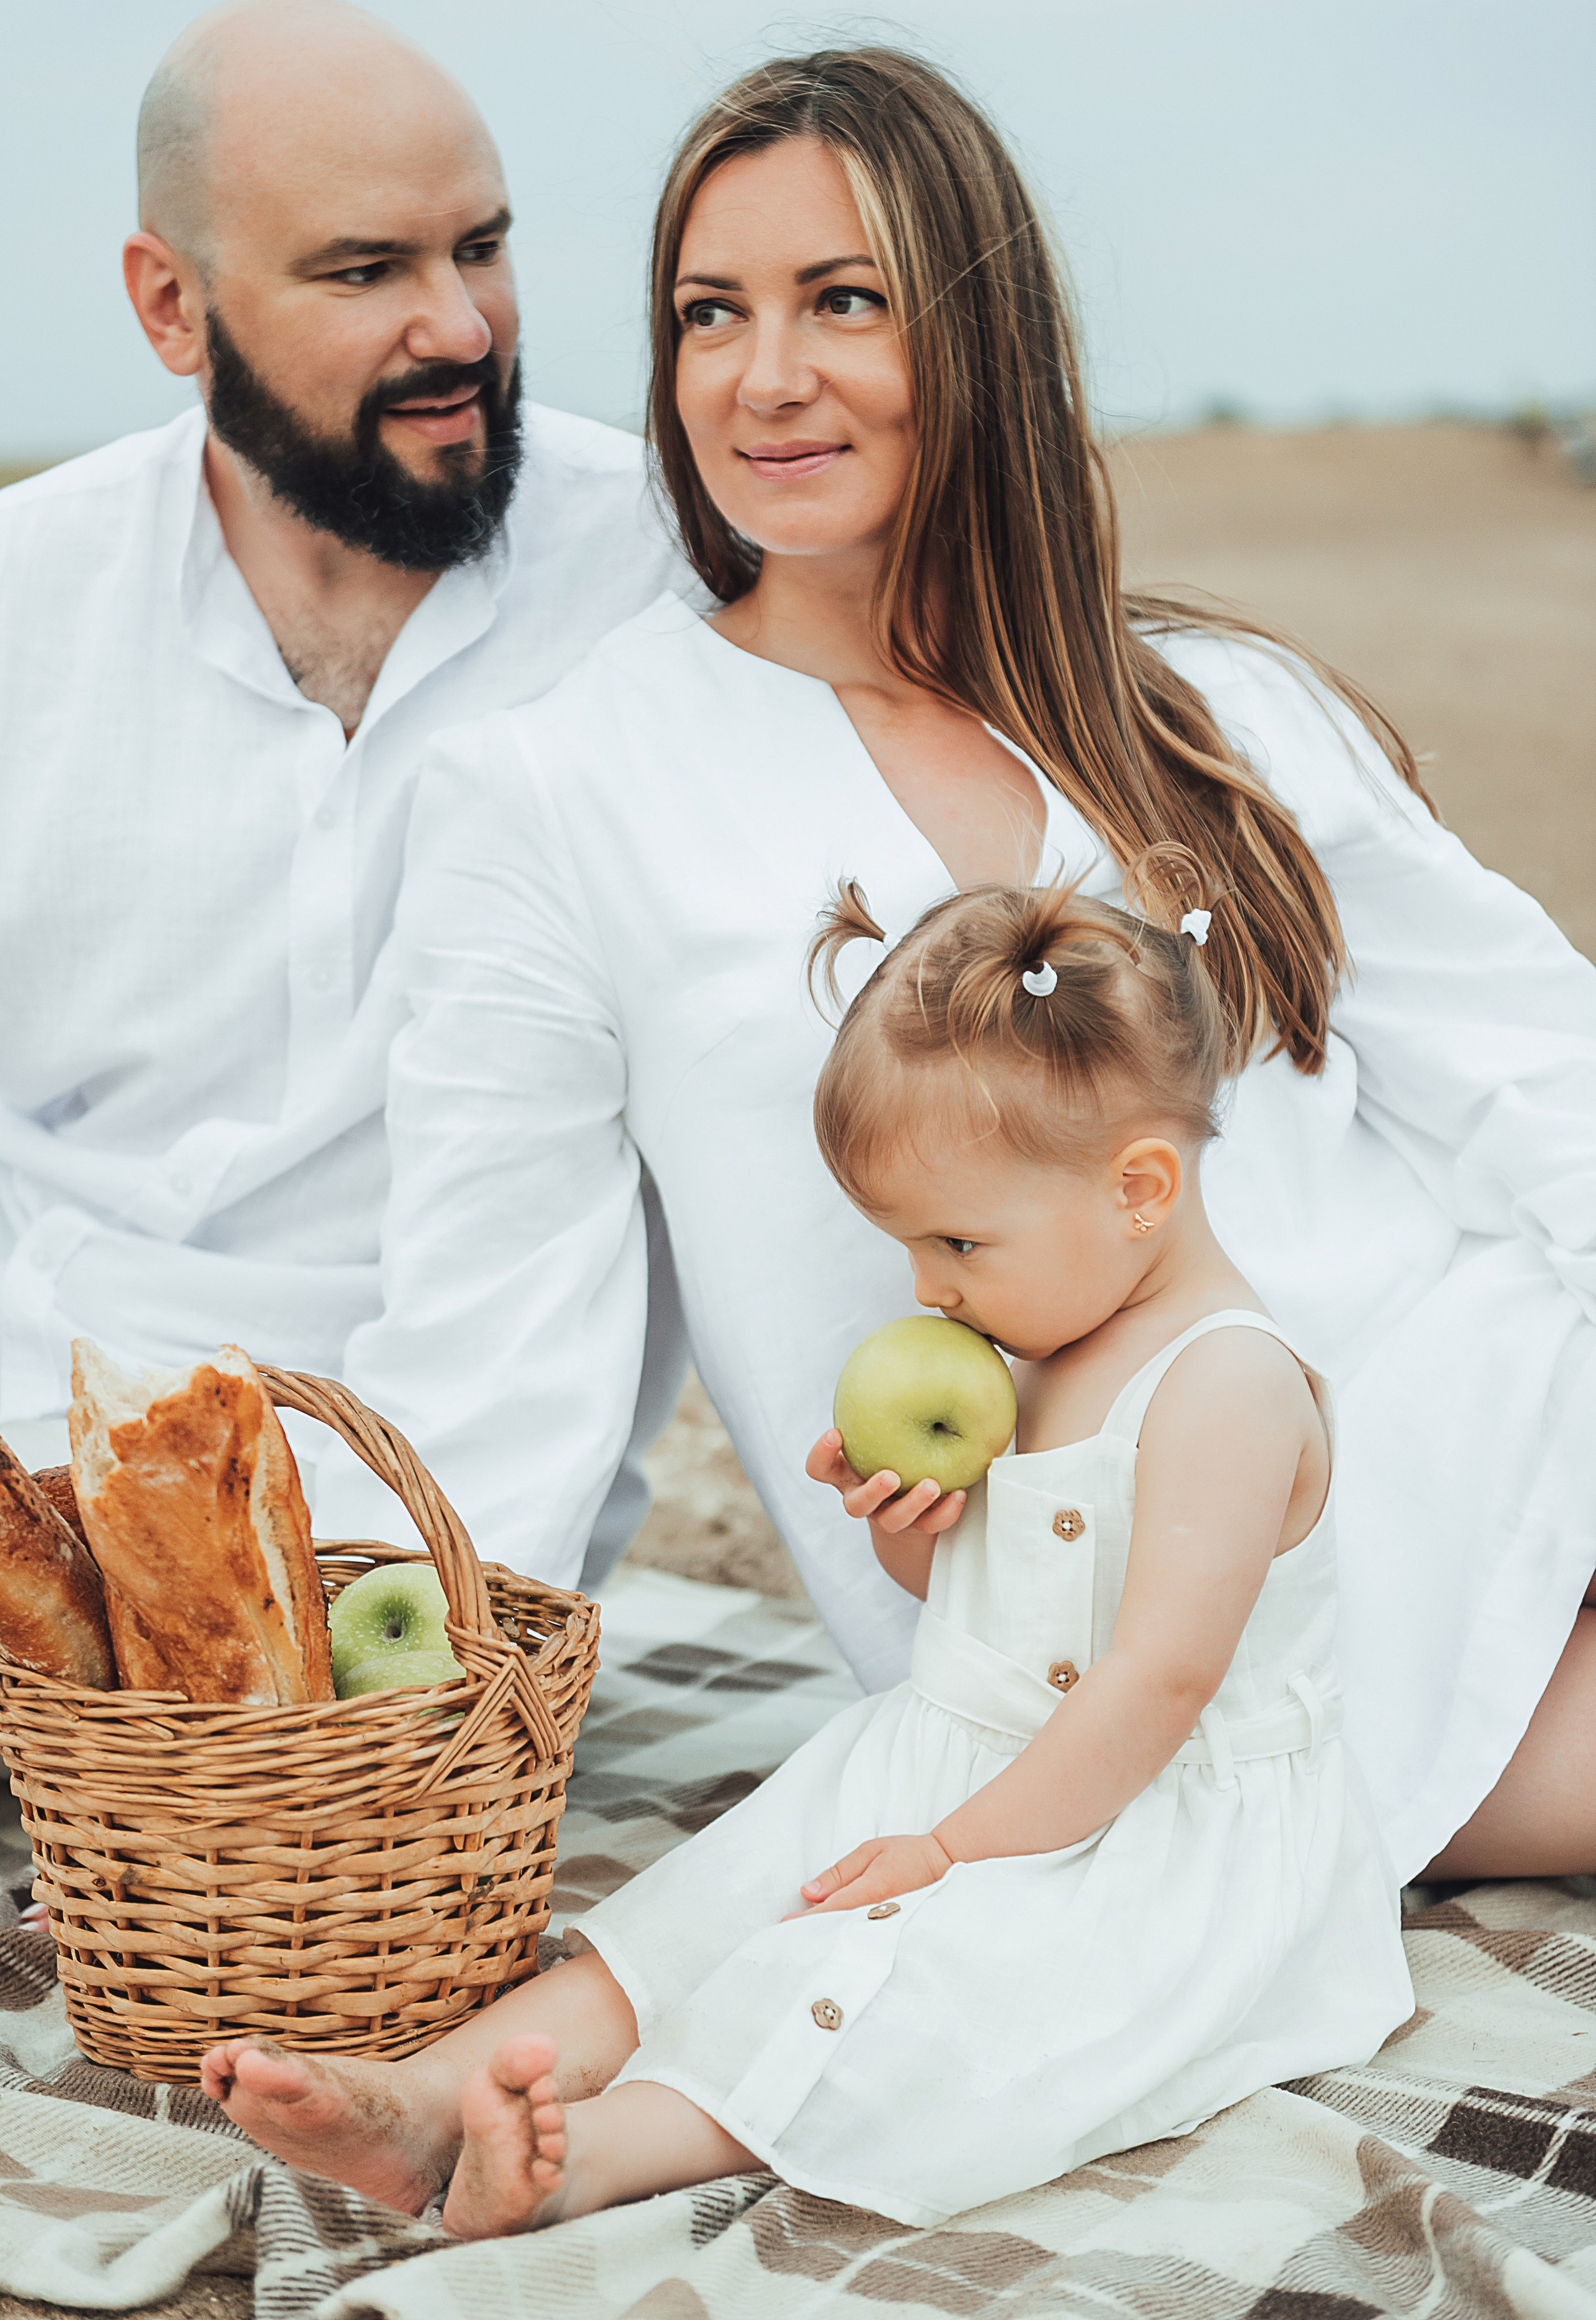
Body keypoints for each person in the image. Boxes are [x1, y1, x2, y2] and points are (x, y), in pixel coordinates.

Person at [327, 46, 1596, 1882]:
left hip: (1494, 1415)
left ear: (979, 339)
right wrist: (386, 1725)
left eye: (845, 300)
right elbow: (492, 1334)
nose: (765, 378)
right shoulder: (558, 791)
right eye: (709, 313)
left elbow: (1538, 1068)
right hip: (1131, 1628)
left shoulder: (1213, 706)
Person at [202, 878, 1412, 2234]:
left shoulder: (1222, 1387)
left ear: (1138, 1188)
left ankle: (580, 2160)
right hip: (969, 1758)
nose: (924, 1291)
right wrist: (917, 1538)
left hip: (1139, 1834)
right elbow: (995, 1615)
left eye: (956, 1241)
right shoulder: (1038, 1349)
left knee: (911, 1998)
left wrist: (952, 1851)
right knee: (703, 1909)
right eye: (906, 1242)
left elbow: (1157, 1681)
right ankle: (428, 2096)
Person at [0, 0, 689, 1568]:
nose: (457, 326)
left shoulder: (675, 583)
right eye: (365, 270)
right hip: (35, 1479)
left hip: (463, 1540)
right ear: (172, 308)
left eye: (481, 248)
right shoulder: (22, 603)